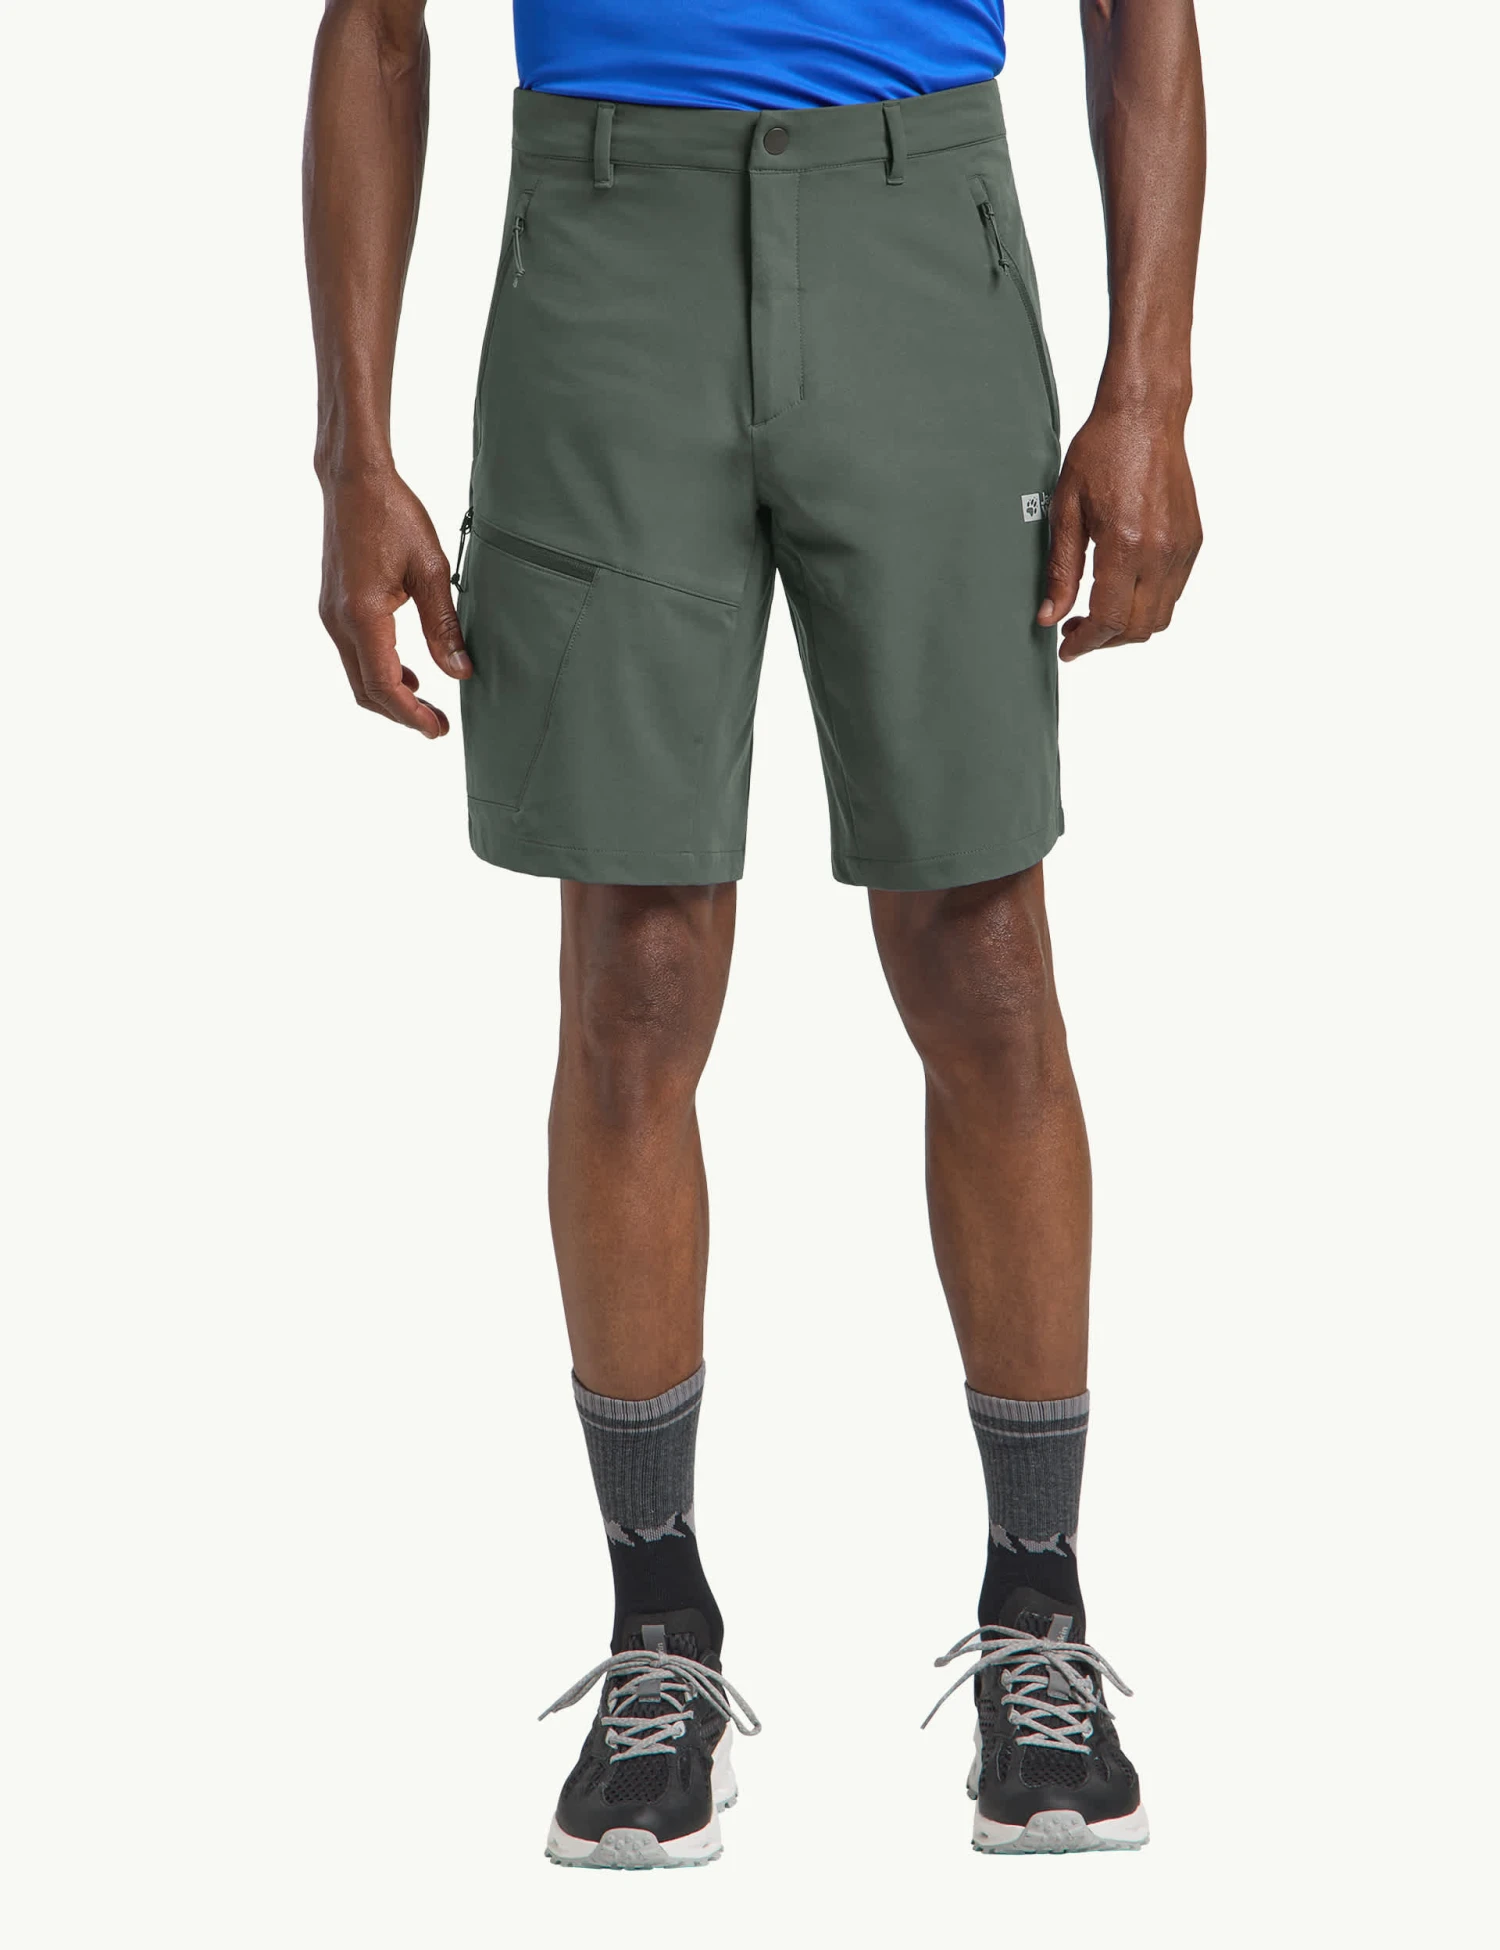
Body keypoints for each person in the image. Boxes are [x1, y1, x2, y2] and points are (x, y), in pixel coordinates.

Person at [304, 0, 1205, 1867]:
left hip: (919, 220)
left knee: (983, 954)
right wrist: (350, 453)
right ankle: (659, 1631)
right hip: (604, 241)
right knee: (634, 972)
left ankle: (1038, 1611)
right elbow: (374, 25)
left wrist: (1152, 390)